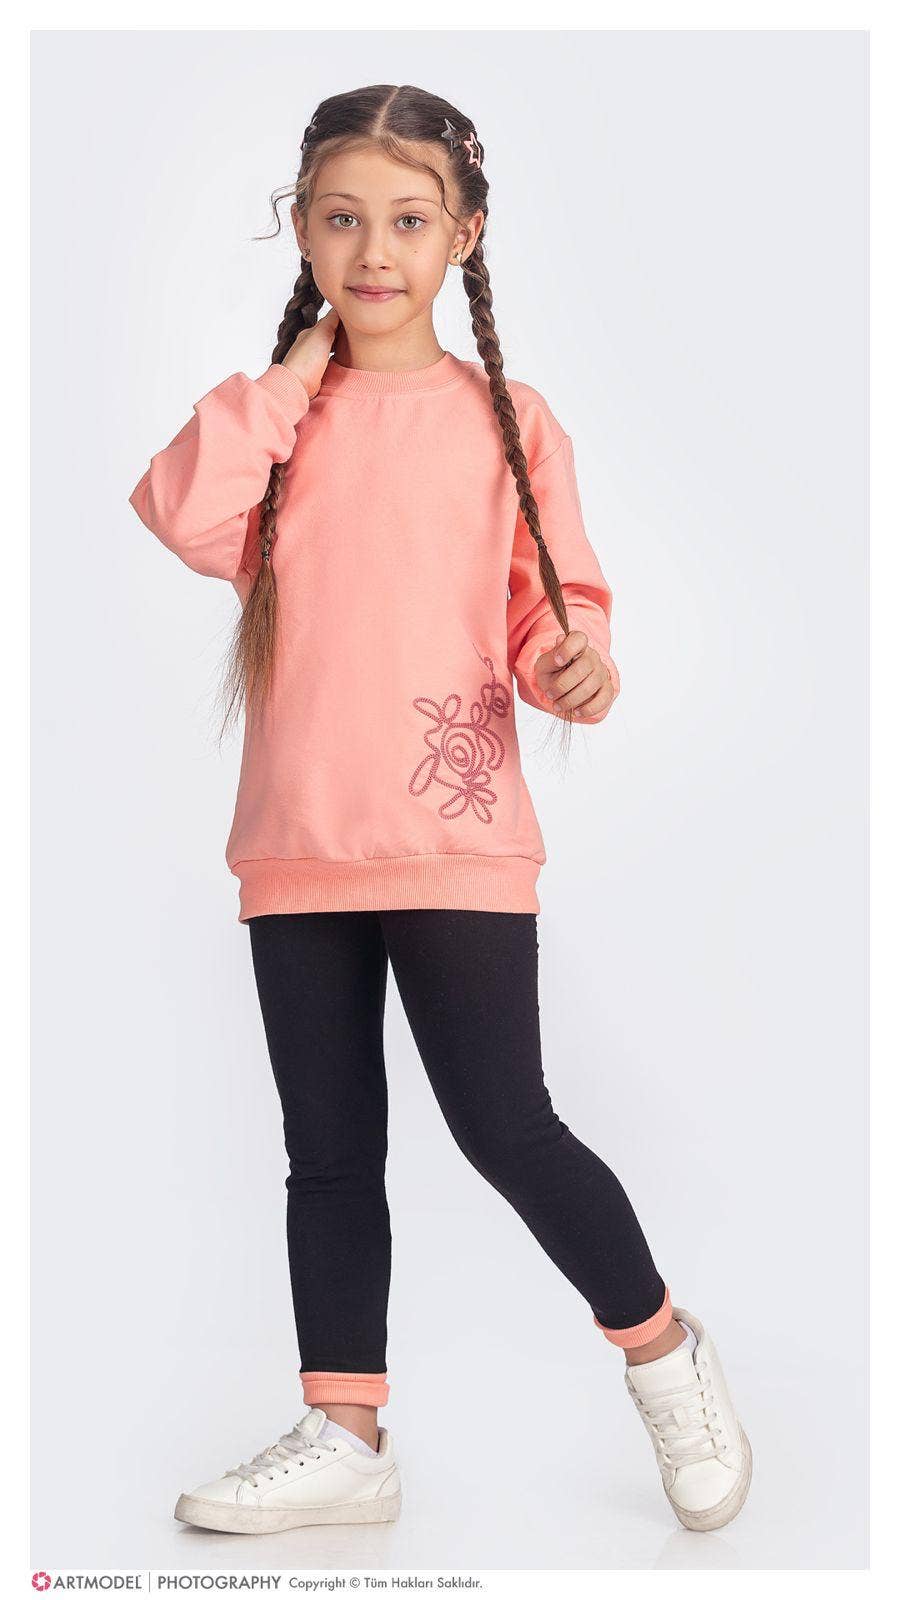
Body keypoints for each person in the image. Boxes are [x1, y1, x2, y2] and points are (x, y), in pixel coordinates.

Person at [128, 83, 752, 1537]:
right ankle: (347, 1434)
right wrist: (290, 376)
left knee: (506, 1124)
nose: (375, 251)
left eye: (409, 220)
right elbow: (180, 510)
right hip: (297, 845)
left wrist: (575, 665)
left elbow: (552, 610)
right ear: (300, 228)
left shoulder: (506, 422)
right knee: (328, 1148)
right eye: (341, 218)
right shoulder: (278, 426)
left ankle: (664, 1353)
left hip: (456, 838)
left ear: (465, 234)